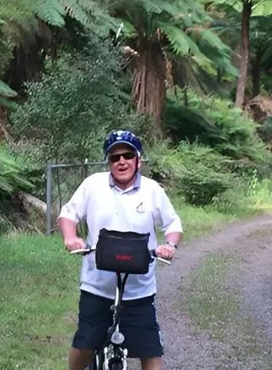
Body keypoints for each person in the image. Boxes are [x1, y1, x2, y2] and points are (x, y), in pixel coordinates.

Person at [58, 130, 183, 370]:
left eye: (127, 155)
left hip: (139, 291)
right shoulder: (93, 185)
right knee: (85, 343)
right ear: (109, 162)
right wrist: (71, 237)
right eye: (115, 157)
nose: (121, 162)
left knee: (151, 351)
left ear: (138, 160)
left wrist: (170, 245)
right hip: (97, 286)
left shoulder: (152, 190)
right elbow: (68, 214)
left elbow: (173, 223)